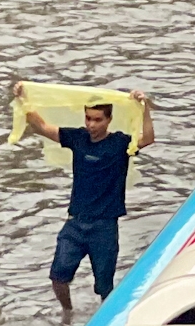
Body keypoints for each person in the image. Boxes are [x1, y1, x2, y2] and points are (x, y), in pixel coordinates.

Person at [16, 85, 155, 311]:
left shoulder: (120, 143)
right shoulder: (78, 138)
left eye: (97, 120)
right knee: (58, 276)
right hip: (75, 223)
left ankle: (102, 320)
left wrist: (144, 107)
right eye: (88, 118)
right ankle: (67, 313)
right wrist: (23, 99)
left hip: (105, 227)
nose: (91, 125)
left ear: (108, 120)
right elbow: (41, 127)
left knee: (105, 287)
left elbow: (148, 138)